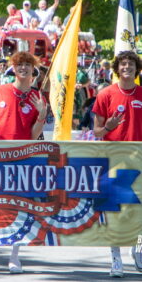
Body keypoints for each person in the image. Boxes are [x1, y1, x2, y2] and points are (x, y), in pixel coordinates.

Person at [0, 51, 47, 273]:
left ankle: (15, 256)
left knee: (19, 206)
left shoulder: (38, 98)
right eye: (20, 65)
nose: (23, 68)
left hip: (22, 159)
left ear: (33, 70)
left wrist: (42, 114)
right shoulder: (0, 91)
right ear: (13, 68)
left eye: (28, 65)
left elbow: (35, 135)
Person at [93, 50, 142, 277]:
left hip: (139, 158)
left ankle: (137, 248)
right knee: (114, 209)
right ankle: (116, 259)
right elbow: (96, 131)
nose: (126, 68)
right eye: (123, 64)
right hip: (113, 158)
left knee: (138, 210)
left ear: (136, 69)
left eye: (130, 65)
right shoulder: (105, 94)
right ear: (117, 68)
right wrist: (109, 127)